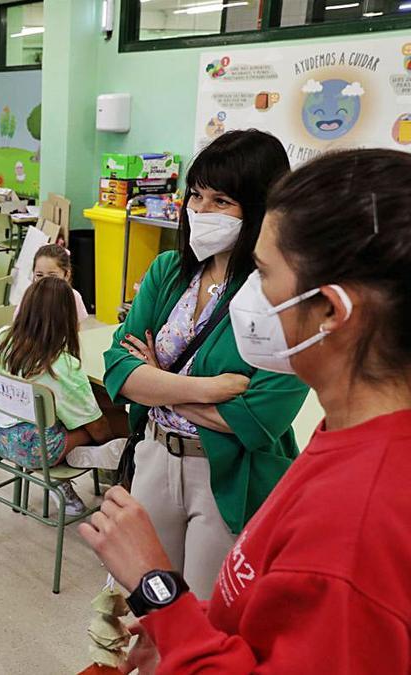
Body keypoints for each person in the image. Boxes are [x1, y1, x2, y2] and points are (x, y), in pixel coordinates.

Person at [82, 148, 411, 673]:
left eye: (263, 272)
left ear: (330, 309)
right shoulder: (344, 443)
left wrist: (157, 588)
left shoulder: (358, 520)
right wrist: (186, 623)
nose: (248, 298)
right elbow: (261, 625)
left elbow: (258, 422)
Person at [101, 129, 307, 600]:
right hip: (155, 455)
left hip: (226, 476)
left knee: (205, 612)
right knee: (144, 604)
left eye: (221, 201)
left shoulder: (281, 295)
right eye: (195, 195)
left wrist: (159, 383)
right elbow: (118, 369)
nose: (200, 211)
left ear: (259, 208)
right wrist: (209, 389)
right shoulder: (169, 271)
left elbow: (258, 420)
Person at [0, 276, 123, 516]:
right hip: (37, 451)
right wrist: (108, 438)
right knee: (116, 421)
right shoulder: (62, 365)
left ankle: (83, 457)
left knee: (81, 409)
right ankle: (101, 467)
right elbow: (96, 425)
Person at [18, 244, 89, 323]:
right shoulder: (29, 297)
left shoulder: (74, 297)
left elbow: (75, 328)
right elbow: (20, 329)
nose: (45, 281)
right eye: (39, 275)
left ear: (67, 275)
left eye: (52, 276)